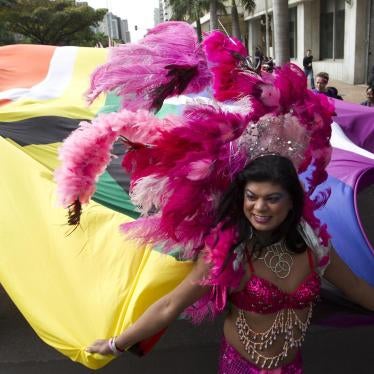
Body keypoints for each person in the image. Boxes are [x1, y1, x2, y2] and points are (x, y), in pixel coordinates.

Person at [55, 22, 374, 373]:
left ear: (291, 201)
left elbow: (358, 288)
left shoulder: (315, 244)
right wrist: (117, 343)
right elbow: (171, 305)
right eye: (252, 197)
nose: (259, 207)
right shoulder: (230, 252)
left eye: (272, 198)